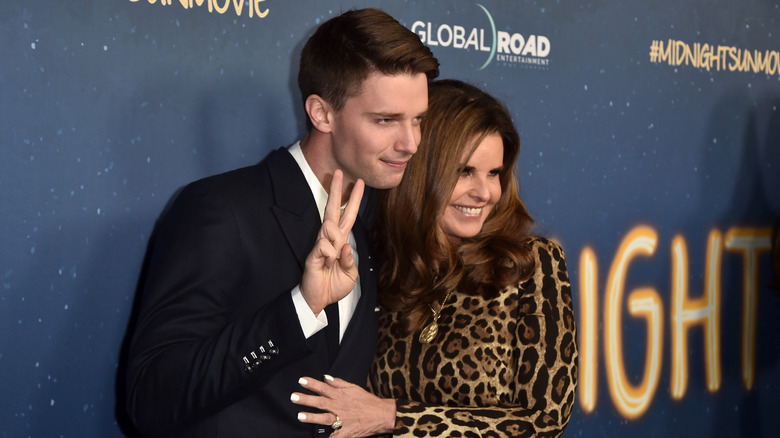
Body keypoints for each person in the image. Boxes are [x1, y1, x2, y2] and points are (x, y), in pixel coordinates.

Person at [124, 8, 439, 438]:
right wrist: (299, 309)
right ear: (321, 113)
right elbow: (151, 397)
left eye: (417, 119)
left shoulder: (362, 232)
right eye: (386, 120)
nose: (411, 143)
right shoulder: (221, 210)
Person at [292, 79, 578, 437]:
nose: (485, 192)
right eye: (464, 172)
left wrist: (393, 417)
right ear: (422, 172)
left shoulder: (530, 264)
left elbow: (544, 420)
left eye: (495, 173)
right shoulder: (380, 267)